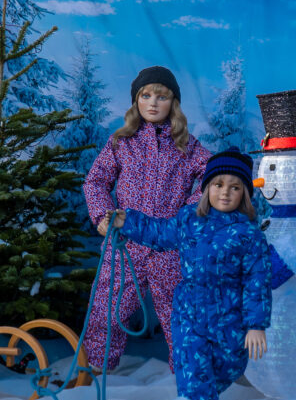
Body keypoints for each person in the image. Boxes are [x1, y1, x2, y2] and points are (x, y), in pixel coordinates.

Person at [104, 147, 271, 400]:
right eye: (218, 184)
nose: (225, 192)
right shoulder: (189, 220)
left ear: (245, 193)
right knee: (192, 372)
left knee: (229, 366)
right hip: (189, 312)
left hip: (229, 317)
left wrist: (256, 324)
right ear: (207, 188)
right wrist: (128, 221)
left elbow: (257, 282)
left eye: (235, 187)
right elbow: (158, 232)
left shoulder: (248, 236)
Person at [83, 66, 211, 371]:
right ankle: (96, 371)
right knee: (107, 309)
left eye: (162, 97)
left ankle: (189, 376)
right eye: (146, 95)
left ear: (173, 103)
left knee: (181, 313)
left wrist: (185, 217)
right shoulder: (122, 141)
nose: (153, 103)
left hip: (169, 245)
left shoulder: (187, 145)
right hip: (126, 243)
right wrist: (103, 214)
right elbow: (95, 181)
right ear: (136, 101)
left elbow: (212, 178)